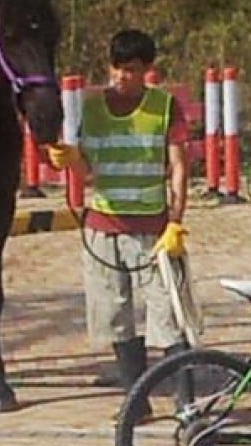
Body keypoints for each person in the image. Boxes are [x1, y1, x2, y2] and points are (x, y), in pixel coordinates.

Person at [46, 29, 189, 419]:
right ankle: (135, 400)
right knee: (114, 314)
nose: (122, 77)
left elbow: (178, 167)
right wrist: (68, 158)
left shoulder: (163, 107)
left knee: (170, 312)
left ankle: (185, 401)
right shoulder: (92, 109)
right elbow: (89, 170)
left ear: (147, 71)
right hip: (104, 227)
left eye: (131, 70)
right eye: (117, 69)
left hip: (152, 229)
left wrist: (175, 221)